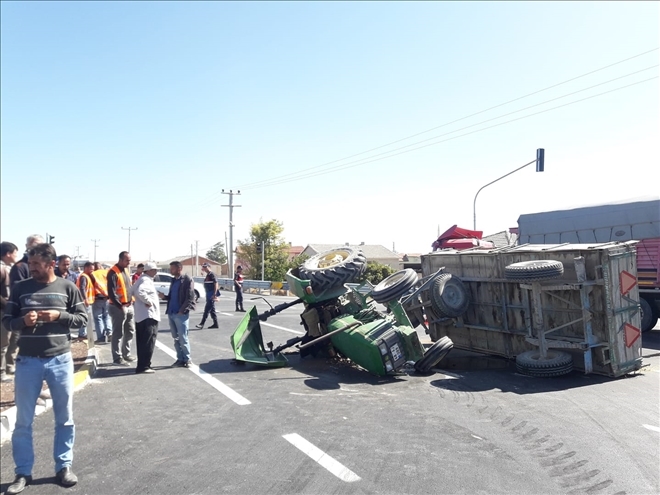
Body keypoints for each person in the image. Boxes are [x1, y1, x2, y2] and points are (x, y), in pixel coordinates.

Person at [2, 243, 87, 493]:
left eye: (37, 264)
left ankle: (63, 467)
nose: (32, 268)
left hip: (60, 360)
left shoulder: (67, 287)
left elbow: (82, 319)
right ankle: (22, 473)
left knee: (65, 419)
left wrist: (58, 316)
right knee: (23, 422)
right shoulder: (20, 289)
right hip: (27, 361)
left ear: (51, 264)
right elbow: (7, 321)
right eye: (30, 264)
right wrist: (21, 321)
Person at [158, 261, 195, 367]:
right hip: (171, 312)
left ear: (179, 269)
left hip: (181, 314)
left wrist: (182, 310)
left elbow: (190, 297)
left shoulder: (187, 280)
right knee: (176, 338)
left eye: (172, 268)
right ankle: (180, 359)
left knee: (183, 337)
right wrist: (164, 297)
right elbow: (171, 296)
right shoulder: (173, 280)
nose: (170, 270)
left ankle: (187, 359)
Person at [107, 251, 136, 365]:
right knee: (118, 333)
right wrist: (120, 306)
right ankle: (117, 358)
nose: (129, 262)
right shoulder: (113, 272)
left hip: (129, 305)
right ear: (121, 259)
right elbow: (111, 292)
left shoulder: (126, 270)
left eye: (129, 260)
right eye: (127, 260)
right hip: (118, 307)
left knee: (130, 331)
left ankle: (126, 354)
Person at [131, 262, 160, 374]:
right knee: (148, 341)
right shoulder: (146, 280)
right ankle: (144, 366)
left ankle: (142, 365)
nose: (156, 272)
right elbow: (140, 291)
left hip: (141, 316)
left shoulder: (141, 279)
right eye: (154, 270)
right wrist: (148, 301)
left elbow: (132, 291)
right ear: (149, 271)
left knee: (142, 341)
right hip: (149, 315)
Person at [1, 241, 20, 382]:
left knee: (15, 338)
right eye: (15, 252)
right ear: (8, 254)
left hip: (13, 309)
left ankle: (10, 365)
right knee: (3, 342)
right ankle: (1, 372)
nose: (16, 255)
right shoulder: (1, 269)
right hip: (3, 310)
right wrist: (7, 305)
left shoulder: (13, 268)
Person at [91, 263, 112, 343]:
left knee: (98, 318)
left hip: (97, 298)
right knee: (107, 316)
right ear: (100, 267)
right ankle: (110, 333)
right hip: (107, 298)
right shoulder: (107, 273)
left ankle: (101, 338)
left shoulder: (93, 274)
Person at [75, 262, 95, 343]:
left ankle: (83, 334)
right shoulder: (84, 277)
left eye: (93, 269)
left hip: (86, 301)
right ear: (86, 268)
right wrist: (85, 299)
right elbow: (82, 288)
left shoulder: (87, 276)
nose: (92, 271)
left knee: (86, 318)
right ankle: (82, 334)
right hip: (84, 302)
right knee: (85, 318)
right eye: (91, 269)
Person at [196, 262, 219, 329]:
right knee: (212, 310)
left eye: (205, 267)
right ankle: (215, 324)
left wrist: (214, 294)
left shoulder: (212, 274)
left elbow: (216, 284)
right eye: (203, 267)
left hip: (211, 294)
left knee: (207, 309)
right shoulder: (208, 275)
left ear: (209, 267)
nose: (204, 268)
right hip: (208, 294)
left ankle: (202, 323)